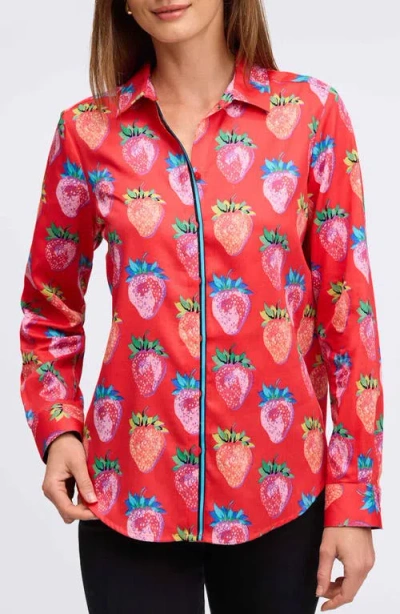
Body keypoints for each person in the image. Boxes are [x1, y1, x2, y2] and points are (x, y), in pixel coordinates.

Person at [19, 1, 384, 612]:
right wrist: (58, 428)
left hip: (281, 492)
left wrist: (354, 495)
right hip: (126, 495)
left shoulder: (311, 115)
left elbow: (348, 317)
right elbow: (48, 310)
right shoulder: (86, 133)